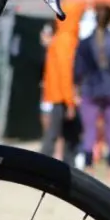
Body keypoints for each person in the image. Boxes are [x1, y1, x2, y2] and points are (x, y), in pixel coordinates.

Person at [74, 4, 110, 185]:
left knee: (89, 132)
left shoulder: (86, 43)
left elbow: (78, 69)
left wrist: (76, 87)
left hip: (90, 88)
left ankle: (90, 171)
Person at [40, 11, 82, 164]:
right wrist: (70, 102)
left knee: (56, 134)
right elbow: (65, 73)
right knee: (62, 136)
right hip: (63, 97)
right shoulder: (66, 40)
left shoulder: (58, 38)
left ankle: (43, 165)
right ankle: (43, 166)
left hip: (57, 95)